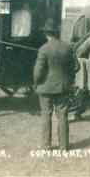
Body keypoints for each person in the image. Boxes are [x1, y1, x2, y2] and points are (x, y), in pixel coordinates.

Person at [33, 19, 79, 151]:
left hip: (45, 88)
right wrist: (68, 78)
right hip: (63, 87)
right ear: (57, 32)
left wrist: (36, 83)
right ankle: (64, 146)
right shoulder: (67, 48)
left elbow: (38, 71)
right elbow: (76, 67)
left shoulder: (44, 49)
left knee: (46, 115)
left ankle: (46, 146)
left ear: (46, 34)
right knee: (63, 116)